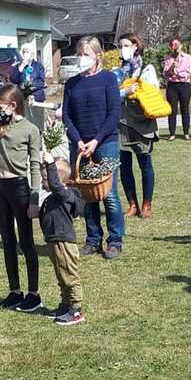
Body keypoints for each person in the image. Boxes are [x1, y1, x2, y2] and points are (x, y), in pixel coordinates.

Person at [60, 36, 124, 260]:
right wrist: (78, 140)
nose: (81, 58)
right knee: (87, 194)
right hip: (79, 144)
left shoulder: (108, 79)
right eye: (79, 54)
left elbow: (114, 113)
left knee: (109, 194)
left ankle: (115, 241)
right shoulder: (72, 83)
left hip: (105, 142)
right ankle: (93, 239)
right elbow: (66, 115)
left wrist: (96, 140)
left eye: (85, 54)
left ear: (97, 56)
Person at [0, 83, 41, 311]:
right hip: (0, 186)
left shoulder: (29, 129)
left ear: (13, 105)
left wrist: (34, 199)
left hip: (18, 187)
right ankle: (15, 291)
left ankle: (33, 293)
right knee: (7, 239)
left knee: (26, 241)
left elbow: (34, 165)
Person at [38, 148, 86, 325]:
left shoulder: (65, 194)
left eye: (45, 179)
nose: (43, 182)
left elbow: (56, 185)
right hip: (54, 241)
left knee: (70, 276)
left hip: (64, 242)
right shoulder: (53, 197)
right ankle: (65, 305)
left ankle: (76, 310)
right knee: (61, 276)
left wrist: (50, 163)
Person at [117, 34, 158, 219]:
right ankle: (132, 204)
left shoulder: (147, 68)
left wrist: (137, 90)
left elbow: (153, 91)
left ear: (135, 46)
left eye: (126, 45)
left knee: (145, 163)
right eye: (120, 46)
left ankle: (146, 204)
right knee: (124, 164)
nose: (122, 49)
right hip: (122, 121)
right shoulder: (118, 71)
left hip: (142, 121)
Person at [163, 38, 191, 140]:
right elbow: (166, 73)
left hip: (184, 85)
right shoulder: (168, 58)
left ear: (181, 45)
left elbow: (188, 73)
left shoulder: (187, 58)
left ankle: (186, 132)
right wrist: (172, 68)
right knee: (172, 110)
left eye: (177, 45)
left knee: (185, 109)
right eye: (172, 45)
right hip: (172, 86)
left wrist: (176, 72)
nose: (175, 47)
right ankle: (172, 133)